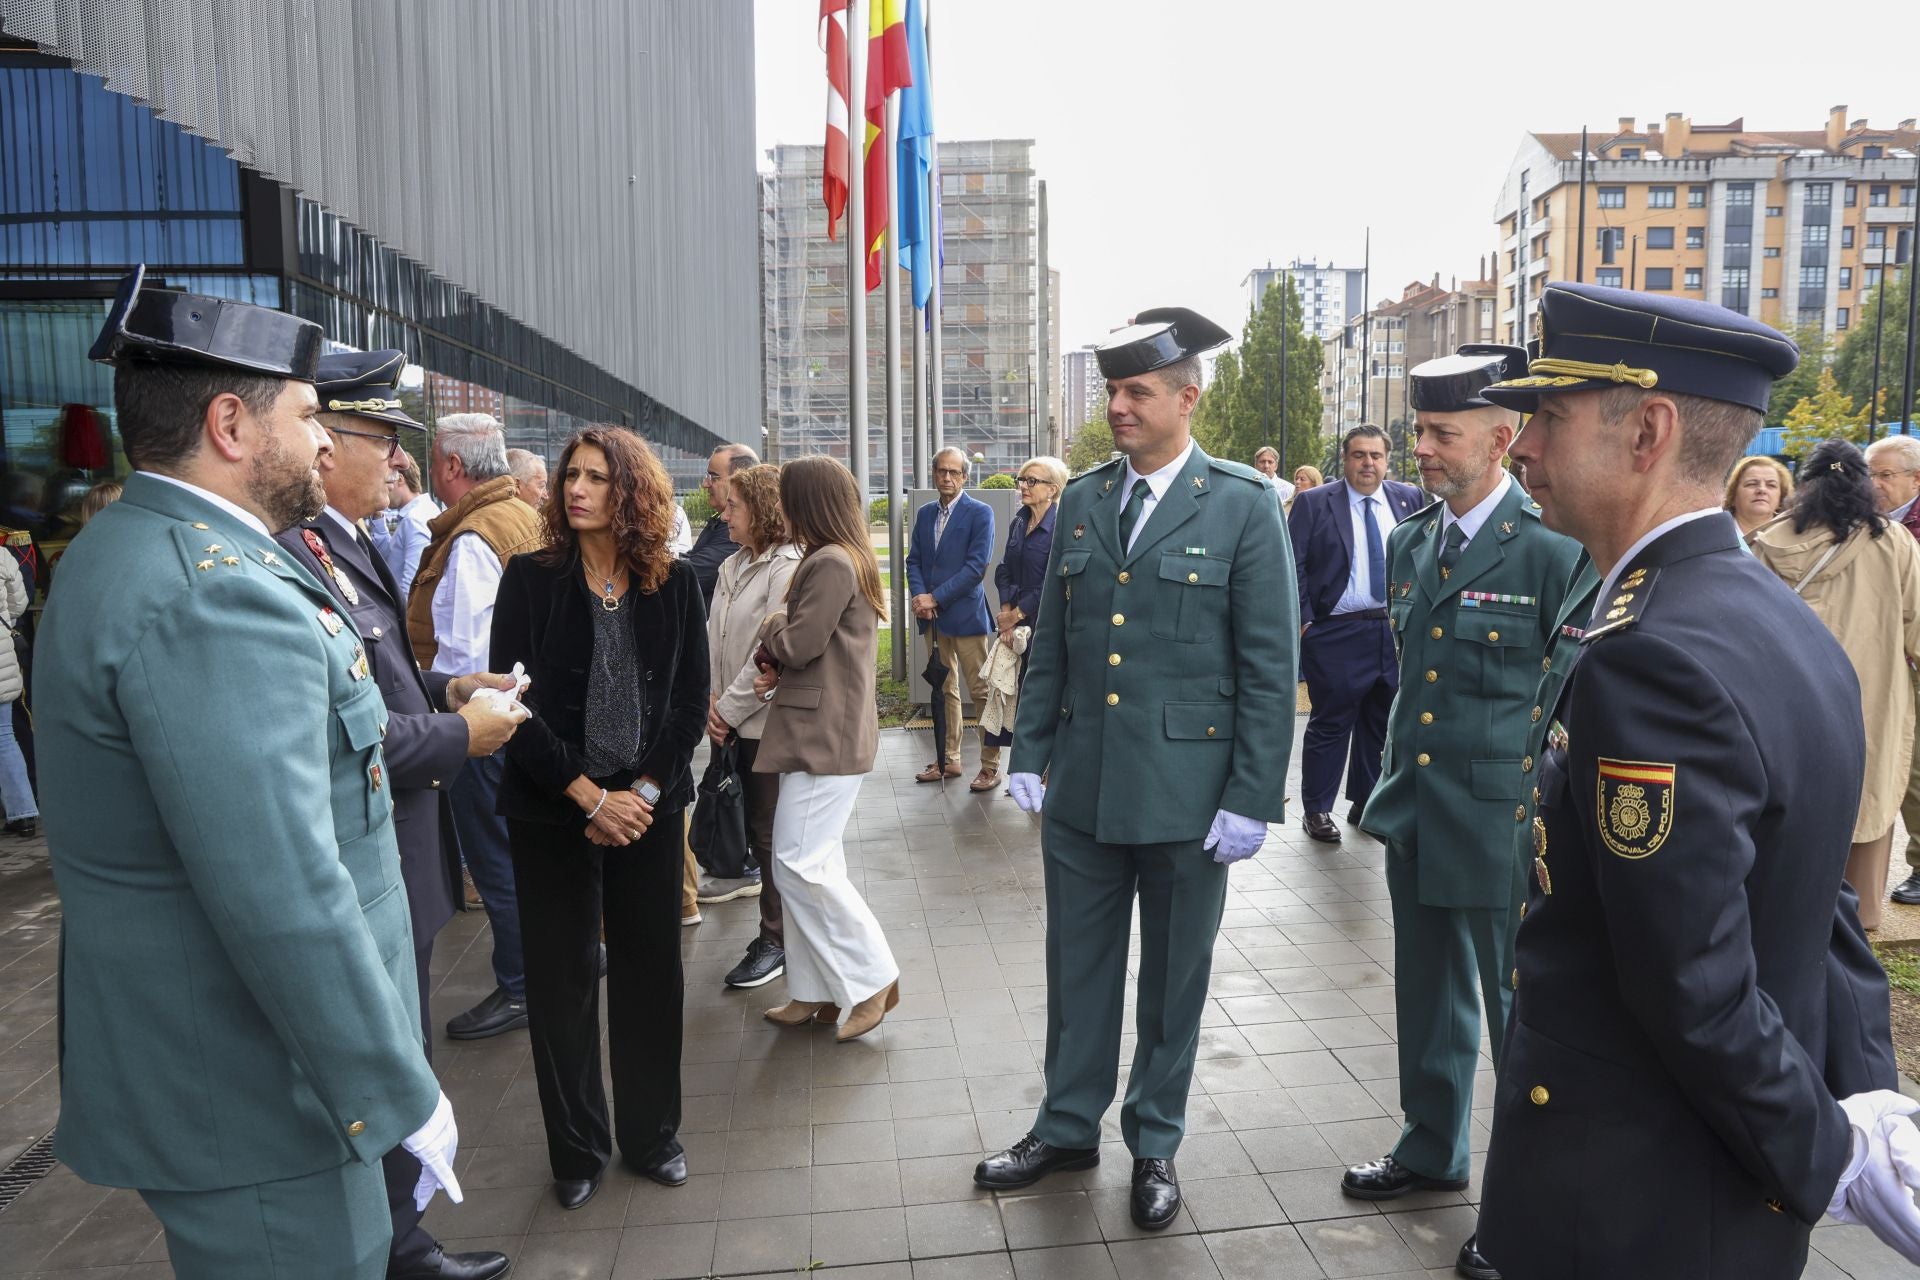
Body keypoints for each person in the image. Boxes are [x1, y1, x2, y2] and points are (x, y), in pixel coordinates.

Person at [1474, 281, 1920, 1278]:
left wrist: (1833, 1151)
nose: (1523, 445)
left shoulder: (1654, 648)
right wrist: (1866, 1092)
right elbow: (1827, 909)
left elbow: (1692, 981)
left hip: (1635, 1197)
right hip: (1717, 1190)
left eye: (1549, 414)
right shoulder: (1780, 621)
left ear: (1650, 433)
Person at [38, 266, 459, 1277]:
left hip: (239, 1064)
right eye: (311, 414)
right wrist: (393, 1086)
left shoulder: (156, 547)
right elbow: (283, 891)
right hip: (266, 1084)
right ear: (232, 423)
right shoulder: (211, 592)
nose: (327, 440)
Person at [977, 307, 1297, 1232]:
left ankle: (1155, 1138)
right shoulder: (1082, 498)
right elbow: (1059, 648)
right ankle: (1067, 1124)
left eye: (1137, 391)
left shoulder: (1240, 503)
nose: (1118, 405)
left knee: (1171, 981)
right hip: (1084, 784)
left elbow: (1270, 666)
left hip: (1190, 797)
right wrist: (1029, 751)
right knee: (1076, 967)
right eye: (1113, 390)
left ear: (1187, 399)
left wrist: (1252, 796)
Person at [276, 350, 522, 1280]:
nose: (397, 463)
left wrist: (452, 683)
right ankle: (396, 1247)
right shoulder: (304, 547)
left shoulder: (339, 540)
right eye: (377, 440)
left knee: (397, 1055)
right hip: (380, 849)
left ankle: (399, 1239)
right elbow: (358, 733)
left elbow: (378, 677)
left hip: (398, 857)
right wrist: (462, 731)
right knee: (386, 1061)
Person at [1337, 347, 1582, 1278]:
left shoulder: (1553, 546)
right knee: (1427, 997)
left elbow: (1569, 697)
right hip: (1418, 809)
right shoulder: (1411, 538)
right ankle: (1431, 1146)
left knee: (1522, 1017)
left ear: (1503, 437)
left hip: (1507, 822)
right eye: (1419, 431)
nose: (1421, 450)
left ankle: (1531, 1199)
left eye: (1442, 434)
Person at [490, 427, 709, 1210]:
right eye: (569, 477)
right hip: (555, 810)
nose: (575, 489)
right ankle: (577, 1150)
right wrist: (587, 795)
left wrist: (641, 795)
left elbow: (689, 707)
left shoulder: (675, 585)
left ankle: (654, 1137)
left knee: (652, 977)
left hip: (647, 811)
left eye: (595, 478)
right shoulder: (530, 579)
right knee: (561, 983)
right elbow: (512, 705)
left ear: (632, 493)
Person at [751, 455, 900, 1042]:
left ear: (806, 501)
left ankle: (871, 981)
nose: (781, 508)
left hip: (825, 734)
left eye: (788, 497)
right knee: (807, 864)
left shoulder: (832, 562)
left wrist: (770, 623)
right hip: (821, 730)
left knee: (799, 864)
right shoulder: (838, 557)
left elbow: (801, 643)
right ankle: (815, 991)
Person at [409, 412, 545, 1041]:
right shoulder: (521, 514)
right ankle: (554, 963)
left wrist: (455, 727)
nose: (430, 470)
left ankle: (522, 985)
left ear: (453, 467)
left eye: (433, 459)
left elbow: (464, 659)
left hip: (487, 723)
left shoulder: (472, 538)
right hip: (526, 710)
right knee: (527, 852)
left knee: (497, 860)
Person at [1752, 438, 1920, 932]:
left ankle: (1789, 929)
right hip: (1871, 709)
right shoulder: (1893, 543)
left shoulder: (1766, 542)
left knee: (1789, 823)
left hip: (1785, 711)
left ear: (1806, 486)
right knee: (1866, 814)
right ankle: (1857, 932)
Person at [1286, 425, 1425, 843]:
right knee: (1331, 723)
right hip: (1336, 633)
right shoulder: (1314, 503)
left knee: (1381, 722)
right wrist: (1307, 623)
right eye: (1359, 455)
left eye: (1376, 456)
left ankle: (1366, 804)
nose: (1368, 464)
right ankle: (1317, 810)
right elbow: (1294, 565)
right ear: (1344, 460)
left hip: (1392, 631)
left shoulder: (1409, 499)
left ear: (1387, 460)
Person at [704, 463, 802, 988]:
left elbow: (767, 655)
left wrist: (726, 710)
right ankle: (780, 931)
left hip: (766, 724)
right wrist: (710, 700)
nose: (724, 514)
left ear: (763, 509)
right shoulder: (732, 565)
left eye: (733, 506)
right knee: (755, 831)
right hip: (734, 720)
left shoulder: (787, 568)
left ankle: (778, 937)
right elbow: (714, 637)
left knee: (770, 837)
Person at [906, 447, 999, 791]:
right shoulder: (926, 513)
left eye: (954, 472)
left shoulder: (980, 513)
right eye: (941, 471)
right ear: (934, 474)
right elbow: (913, 560)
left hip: (965, 616)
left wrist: (936, 597)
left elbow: (976, 568)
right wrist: (920, 598)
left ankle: (989, 766)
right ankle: (949, 759)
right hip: (931, 618)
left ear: (964, 476)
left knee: (980, 692)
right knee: (943, 689)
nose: (946, 477)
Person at [1867, 434, 1920, 906]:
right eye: (1872, 474)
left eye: (1886, 475)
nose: (1876, 484)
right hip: (1886, 662)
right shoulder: (1869, 522)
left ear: (1915, 479)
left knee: (1918, 769)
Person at [994, 454, 1064, 653]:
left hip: (1043, 624)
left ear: (1052, 489)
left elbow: (1053, 582)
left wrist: (1016, 615)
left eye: (1031, 481)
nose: (1023, 486)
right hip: (1012, 627)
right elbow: (1003, 568)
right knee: (1010, 683)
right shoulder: (1018, 523)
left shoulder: (1061, 527)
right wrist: (1007, 613)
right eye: (1022, 480)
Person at [686, 443, 758, 605]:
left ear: (740, 480)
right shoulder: (722, 523)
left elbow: (691, 575)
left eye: (714, 477)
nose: (705, 484)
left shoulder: (738, 532)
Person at [0, 548, 36, 838]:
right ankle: (23, 813)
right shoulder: (2, 555)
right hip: (1, 654)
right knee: (4, 737)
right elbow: (19, 602)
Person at [370, 449, 438, 598]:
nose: (385, 489)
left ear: (400, 479)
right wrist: (378, 516)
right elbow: (390, 556)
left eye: (387, 481)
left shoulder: (414, 520)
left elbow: (412, 587)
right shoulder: (423, 511)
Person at [1723, 455, 1794, 540]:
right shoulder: (1714, 534)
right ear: (1733, 496)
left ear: (1781, 499)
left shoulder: (1792, 539)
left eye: (1771, 485)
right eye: (1752, 484)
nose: (1762, 490)